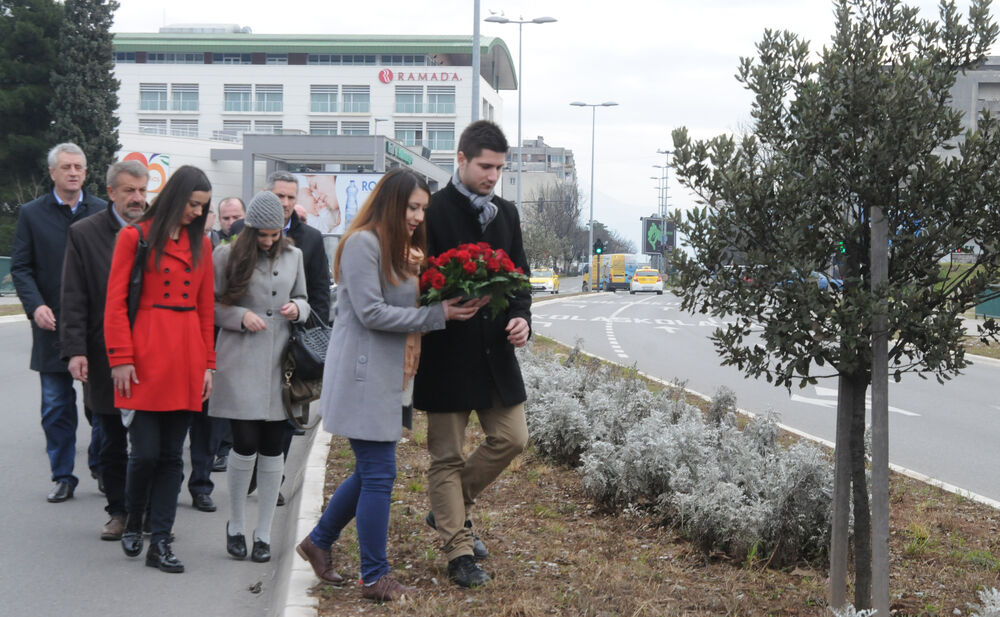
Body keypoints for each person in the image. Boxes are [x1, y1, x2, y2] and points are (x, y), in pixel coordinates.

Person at [295, 168, 482, 602]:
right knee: (380, 474)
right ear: (391, 203)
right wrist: (439, 316)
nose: (418, 216)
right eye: (412, 207)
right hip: (363, 377)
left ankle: (319, 542)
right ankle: (374, 576)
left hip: (384, 376)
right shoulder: (364, 244)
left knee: (369, 471)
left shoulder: (400, 249)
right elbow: (371, 313)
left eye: (422, 209)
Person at [413, 120, 532, 588]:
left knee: (513, 438)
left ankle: (449, 508)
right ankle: (458, 550)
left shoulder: (507, 214)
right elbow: (413, 284)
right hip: (445, 355)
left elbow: (520, 277)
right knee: (445, 456)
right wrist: (439, 307)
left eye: (500, 168)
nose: (493, 176)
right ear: (460, 160)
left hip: (495, 354)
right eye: (485, 166)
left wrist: (522, 317)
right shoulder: (431, 212)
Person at [104, 165, 216, 573]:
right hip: (146, 351)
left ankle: (162, 542)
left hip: (187, 353)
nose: (195, 212)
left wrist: (209, 366)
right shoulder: (134, 237)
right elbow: (115, 303)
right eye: (191, 204)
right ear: (174, 196)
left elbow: (206, 311)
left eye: (202, 208)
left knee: (172, 456)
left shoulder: (202, 245)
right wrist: (120, 357)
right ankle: (134, 519)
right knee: (145, 452)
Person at [210, 191, 309, 563]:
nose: (268, 241)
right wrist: (239, 316)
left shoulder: (294, 255)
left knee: (273, 446)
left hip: (280, 363)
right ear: (249, 229)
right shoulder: (226, 255)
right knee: (244, 442)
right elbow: (213, 306)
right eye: (262, 234)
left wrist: (296, 308)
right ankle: (236, 524)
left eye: (274, 234)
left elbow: (305, 298)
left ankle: (263, 532)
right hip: (239, 361)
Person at [11, 142, 106, 503]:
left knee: (101, 407)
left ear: (85, 171)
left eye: (78, 167)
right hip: (51, 328)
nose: (73, 172)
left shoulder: (102, 211)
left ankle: (101, 463)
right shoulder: (32, 214)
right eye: (65, 167)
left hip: (94, 329)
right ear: (52, 172)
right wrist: (35, 306)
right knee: (56, 407)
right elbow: (20, 267)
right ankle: (63, 475)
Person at [60, 160, 148, 539]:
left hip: (151, 354)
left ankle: (148, 513)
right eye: (129, 190)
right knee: (111, 437)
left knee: (150, 442)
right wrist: (75, 350)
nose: (138, 198)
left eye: (143, 190)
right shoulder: (85, 233)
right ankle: (119, 511)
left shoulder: (158, 232)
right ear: (111, 192)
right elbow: (74, 296)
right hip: (102, 354)